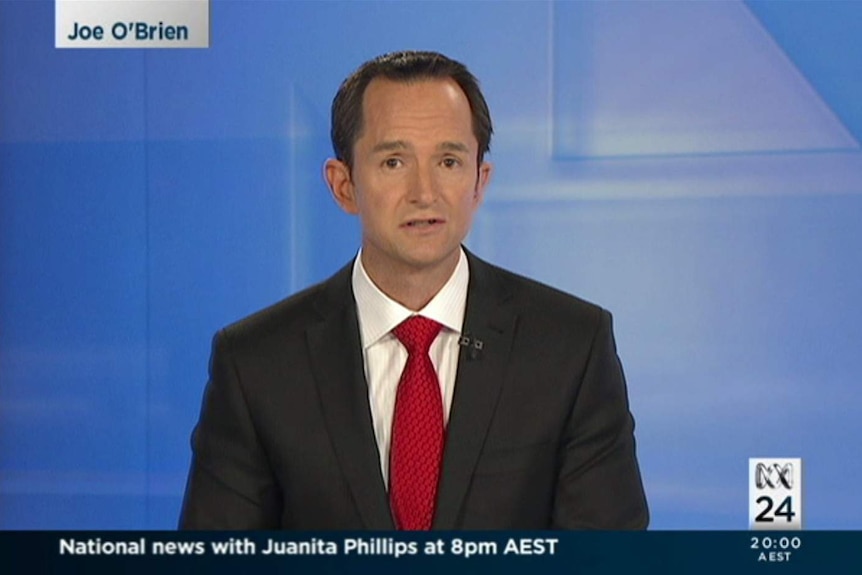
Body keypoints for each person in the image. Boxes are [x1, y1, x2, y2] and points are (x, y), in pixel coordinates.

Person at [179, 51, 648, 530]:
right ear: (344, 186)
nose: (425, 192)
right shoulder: (256, 363)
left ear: (479, 182)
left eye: (448, 160)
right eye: (394, 161)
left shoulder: (570, 346)